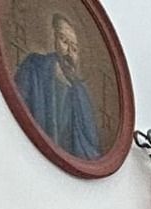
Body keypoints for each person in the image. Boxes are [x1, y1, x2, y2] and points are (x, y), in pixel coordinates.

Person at [13, 13, 101, 160]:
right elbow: (16, 105)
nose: (69, 52)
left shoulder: (80, 92)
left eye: (74, 48)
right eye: (64, 41)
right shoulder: (34, 66)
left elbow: (90, 143)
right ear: (53, 40)